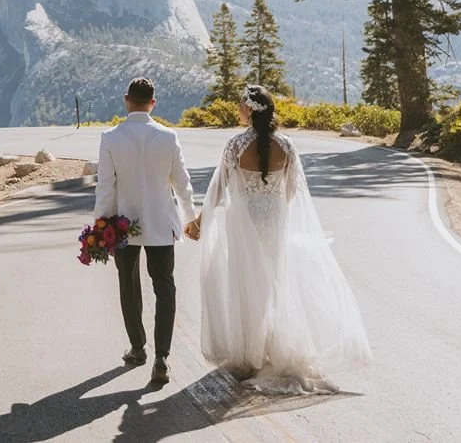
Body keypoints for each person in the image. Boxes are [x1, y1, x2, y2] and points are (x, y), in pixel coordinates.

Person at [186, 84, 371, 392]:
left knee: (246, 284)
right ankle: (275, 346)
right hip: (274, 220)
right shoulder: (286, 145)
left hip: (243, 222)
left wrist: (199, 221)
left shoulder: (234, 145)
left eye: (240, 106)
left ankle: (250, 355)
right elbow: (292, 191)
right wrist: (273, 207)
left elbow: (218, 189)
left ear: (247, 110)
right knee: (273, 282)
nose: (237, 110)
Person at [93, 76, 196, 387]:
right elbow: (182, 182)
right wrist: (191, 219)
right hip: (161, 223)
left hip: (122, 225)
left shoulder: (111, 137)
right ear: (153, 103)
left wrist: (100, 225)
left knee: (128, 283)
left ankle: (138, 348)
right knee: (164, 287)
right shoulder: (168, 136)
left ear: (127, 100)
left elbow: (106, 187)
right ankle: (162, 357)